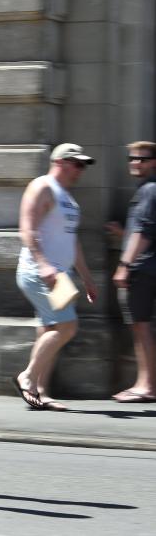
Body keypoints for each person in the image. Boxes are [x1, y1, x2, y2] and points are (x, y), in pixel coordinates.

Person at [13, 144, 98, 411]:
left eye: (83, 166)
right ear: (60, 162)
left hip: (59, 276)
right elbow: (27, 229)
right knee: (67, 326)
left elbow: (73, 243)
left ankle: (40, 392)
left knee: (50, 330)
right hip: (39, 272)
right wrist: (43, 264)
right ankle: (27, 377)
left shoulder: (68, 199)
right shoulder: (42, 187)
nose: (81, 170)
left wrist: (87, 279)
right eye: (78, 164)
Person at [107, 141, 156, 403]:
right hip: (147, 265)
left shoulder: (149, 190)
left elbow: (145, 231)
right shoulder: (148, 190)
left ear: (154, 163)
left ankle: (146, 386)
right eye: (132, 158)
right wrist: (122, 234)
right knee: (143, 326)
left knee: (141, 326)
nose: (136, 163)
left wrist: (125, 265)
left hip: (142, 269)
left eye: (143, 159)